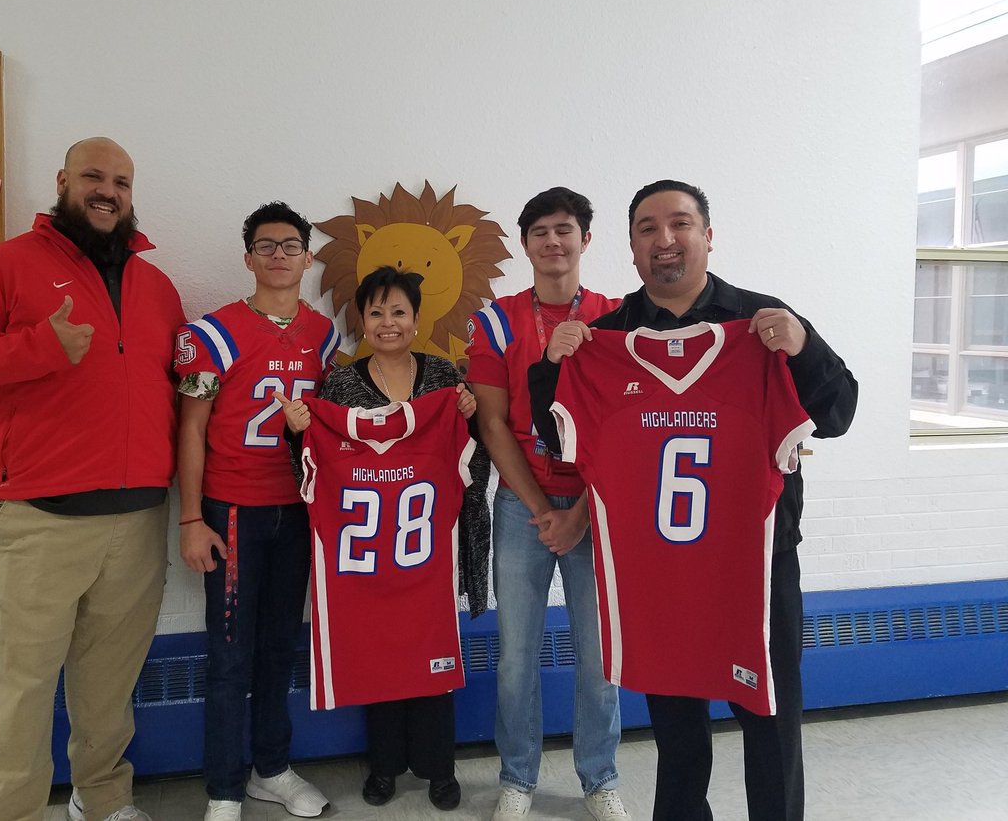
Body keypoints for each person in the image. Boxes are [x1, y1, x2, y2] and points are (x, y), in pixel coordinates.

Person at [529, 179, 858, 821]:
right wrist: (551, 365)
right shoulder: (605, 337)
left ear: (707, 235)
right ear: (630, 248)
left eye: (679, 224)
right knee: (676, 727)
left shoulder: (762, 322)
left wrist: (803, 347)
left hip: (753, 561)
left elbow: (838, 411)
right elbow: (558, 438)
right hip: (658, 564)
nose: (665, 239)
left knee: (768, 713)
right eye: (647, 229)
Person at [0, 137, 185, 821]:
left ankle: (102, 801)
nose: (109, 191)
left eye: (122, 181)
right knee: (21, 693)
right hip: (39, 521)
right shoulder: (11, 265)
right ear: (64, 181)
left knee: (108, 687)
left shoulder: (157, 287)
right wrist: (40, 346)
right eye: (94, 177)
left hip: (136, 519)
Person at [277, 266, 491, 813]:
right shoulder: (343, 384)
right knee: (378, 657)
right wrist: (297, 427)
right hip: (368, 554)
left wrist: (470, 416)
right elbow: (314, 466)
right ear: (362, 321)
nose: (388, 322)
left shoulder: (444, 377)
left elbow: (473, 464)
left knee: (434, 655)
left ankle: (439, 767)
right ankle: (384, 766)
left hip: (429, 548)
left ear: (416, 319)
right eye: (376, 312)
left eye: (398, 312)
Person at [465, 187, 630, 821]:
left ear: (586, 239)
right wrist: (541, 510)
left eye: (565, 230)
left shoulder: (617, 315)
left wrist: (581, 511)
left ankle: (599, 777)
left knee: (598, 654)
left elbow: (626, 426)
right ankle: (517, 777)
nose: (552, 242)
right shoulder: (496, 319)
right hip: (520, 504)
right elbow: (494, 425)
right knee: (516, 654)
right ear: (526, 244)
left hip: (597, 502)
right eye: (539, 232)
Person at [175, 202, 339, 821]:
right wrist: (192, 517)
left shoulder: (325, 336)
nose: (278, 256)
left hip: (296, 508)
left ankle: (271, 768)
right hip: (234, 506)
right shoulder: (211, 334)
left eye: (290, 245)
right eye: (265, 246)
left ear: (307, 256)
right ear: (247, 258)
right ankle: (223, 785)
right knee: (230, 653)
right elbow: (190, 429)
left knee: (277, 647)